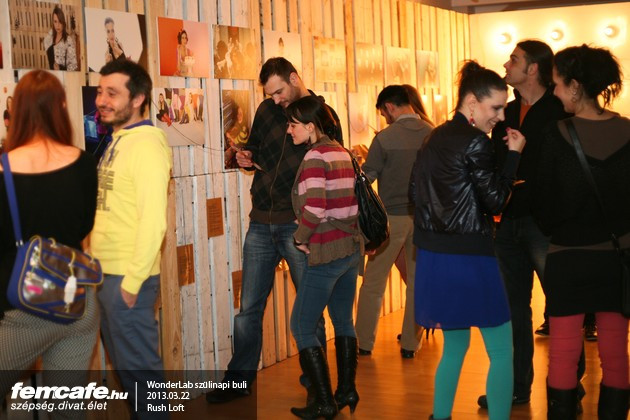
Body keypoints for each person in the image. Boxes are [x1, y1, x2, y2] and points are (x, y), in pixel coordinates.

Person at [206, 57, 342, 404]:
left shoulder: (323, 116)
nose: (276, 100)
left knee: (310, 309)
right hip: (261, 222)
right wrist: (245, 157)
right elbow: (255, 147)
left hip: (299, 226)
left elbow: (334, 168)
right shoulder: (267, 110)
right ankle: (238, 381)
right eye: (270, 94)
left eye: (279, 92)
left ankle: (317, 385)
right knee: (248, 310)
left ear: (295, 78)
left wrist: (311, 222)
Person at [411, 61, 526, 420]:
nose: (501, 117)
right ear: (473, 102)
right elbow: (496, 201)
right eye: (496, 108)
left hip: (433, 254)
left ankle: (440, 416)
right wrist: (513, 157)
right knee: (502, 350)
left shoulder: (433, 136)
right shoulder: (476, 142)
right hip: (471, 256)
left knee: (455, 345)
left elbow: (415, 193)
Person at [532, 44, 630, 420]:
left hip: (568, 257)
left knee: (563, 352)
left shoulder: (555, 135)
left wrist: (562, 225)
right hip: (618, 259)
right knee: (616, 354)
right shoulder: (628, 131)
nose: (554, 92)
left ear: (574, 86)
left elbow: (542, 203)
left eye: (557, 83)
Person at [477, 39, 572, 410]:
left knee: (562, 307)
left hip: (545, 224)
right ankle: (516, 386)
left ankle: (569, 386)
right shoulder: (508, 110)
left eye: (513, 59)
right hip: (507, 222)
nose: (506, 64)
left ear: (533, 68)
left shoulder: (558, 109)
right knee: (512, 309)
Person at [0, 70, 98, 417]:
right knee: (67, 410)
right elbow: (84, 225)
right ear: (60, 108)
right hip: (77, 301)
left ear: (18, 111)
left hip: (22, 308)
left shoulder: (4, 169)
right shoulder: (83, 162)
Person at [92, 59, 172, 419]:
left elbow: (154, 222)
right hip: (108, 275)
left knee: (143, 382)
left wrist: (131, 283)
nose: (102, 100)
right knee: (133, 381)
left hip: (127, 280)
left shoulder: (146, 147)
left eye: (112, 93)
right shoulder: (120, 141)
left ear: (138, 98)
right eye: (100, 92)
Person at [287, 95, 362, 419]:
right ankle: (346, 390)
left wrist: (299, 238)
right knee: (343, 320)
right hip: (350, 249)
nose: (289, 130)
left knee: (301, 325)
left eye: (293, 124)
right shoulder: (342, 152)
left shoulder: (316, 156)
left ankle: (324, 402)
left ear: (310, 126)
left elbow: (315, 207)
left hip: (327, 252)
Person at [355, 85, 432, 359]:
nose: (384, 118)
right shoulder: (432, 134)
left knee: (374, 283)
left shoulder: (385, 138)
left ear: (389, 107)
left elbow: (367, 179)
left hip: (390, 221)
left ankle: (364, 343)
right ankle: (411, 345)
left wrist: (356, 165)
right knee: (417, 282)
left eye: (383, 112)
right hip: (423, 219)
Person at [43, 6, 78, 71]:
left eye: (60, 21)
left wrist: (61, 68)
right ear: (53, 22)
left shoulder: (68, 40)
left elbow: (74, 65)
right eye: (55, 21)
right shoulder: (49, 38)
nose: (58, 25)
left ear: (63, 22)